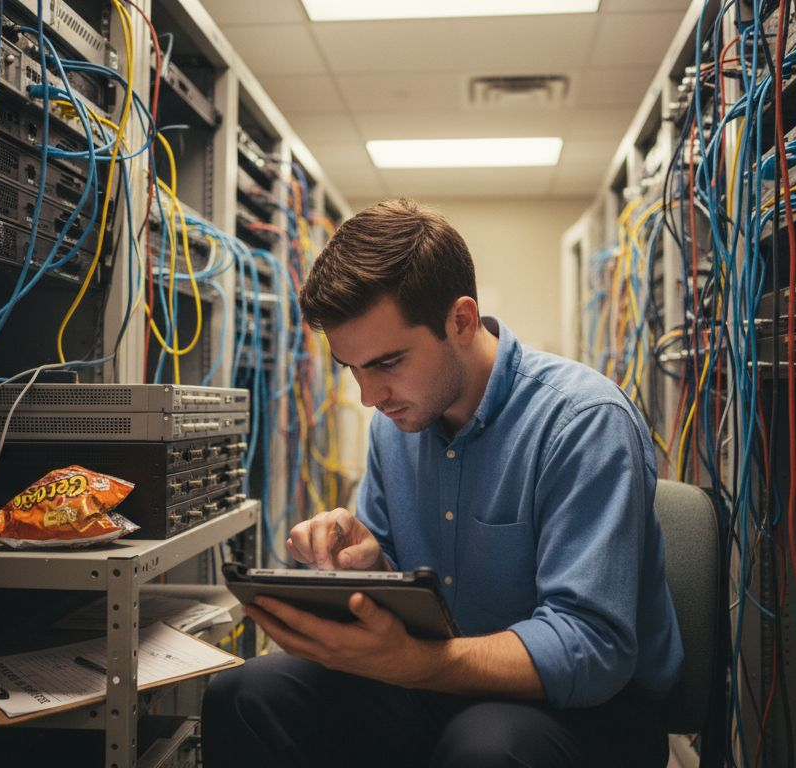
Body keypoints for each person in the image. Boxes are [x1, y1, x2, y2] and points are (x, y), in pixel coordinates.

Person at [202, 199, 683, 767]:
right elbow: (403, 598)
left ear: (460, 321)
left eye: (387, 362)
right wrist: (368, 566)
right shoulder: (395, 426)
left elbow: (592, 648)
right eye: (352, 368)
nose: (368, 397)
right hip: (437, 683)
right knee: (244, 694)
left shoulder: (582, 422)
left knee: (483, 749)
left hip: (588, 707)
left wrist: (416, 663)